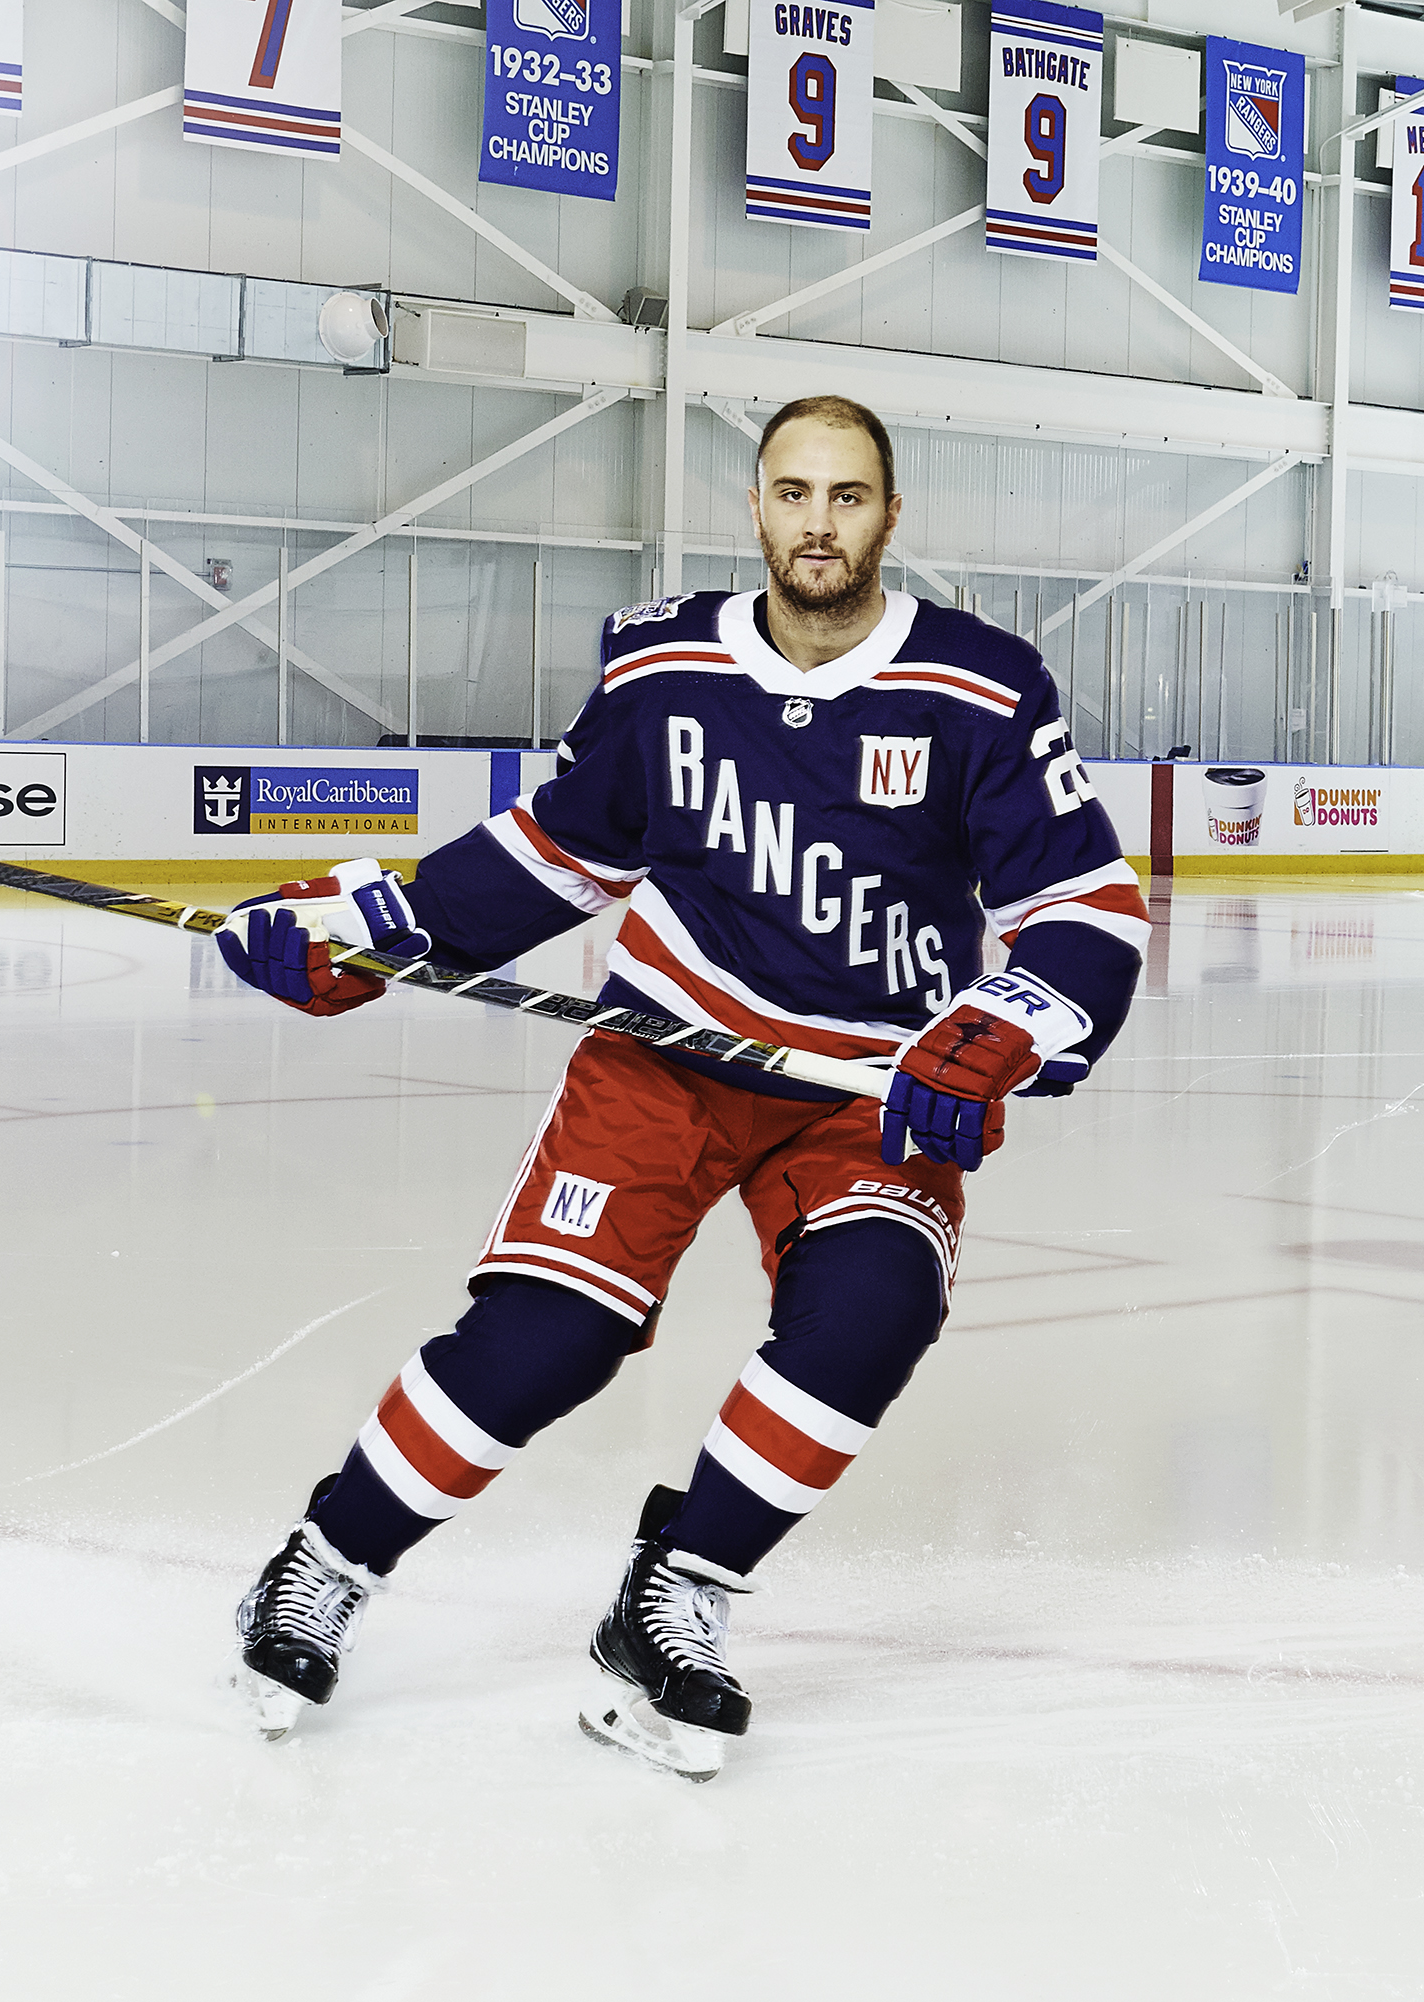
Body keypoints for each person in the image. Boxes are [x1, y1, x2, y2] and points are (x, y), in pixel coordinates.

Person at [213, 394, 1149, 1778]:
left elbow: (1086, 901)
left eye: (846, 495)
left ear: (892, 515)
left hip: (860, 1088)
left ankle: (676, 1598)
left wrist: (1004, 1022)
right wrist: (373, 920)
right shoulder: (660, 667)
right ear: (757, 506)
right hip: (669, 1052)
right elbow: (560, 850)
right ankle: (324, 1561)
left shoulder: (983, 685)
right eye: (791, 492)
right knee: (544, 1340)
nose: (817, 521)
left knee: (873, 1312)